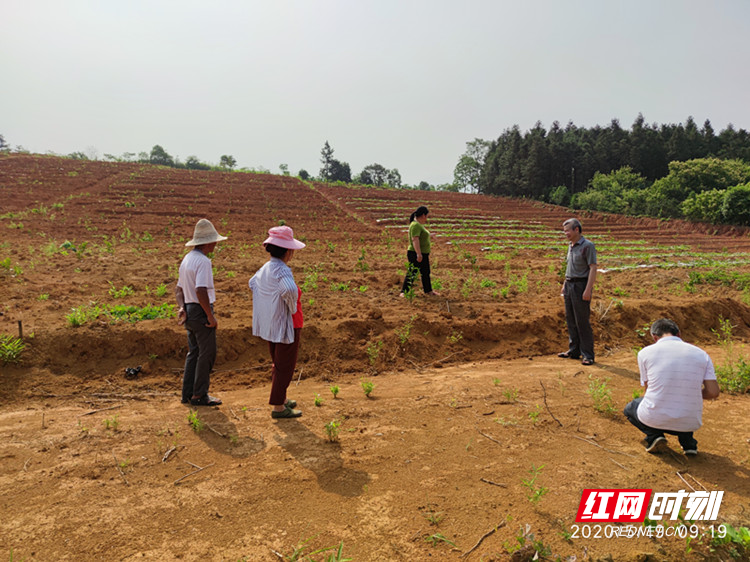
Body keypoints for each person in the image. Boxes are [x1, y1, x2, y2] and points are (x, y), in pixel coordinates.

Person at [623, 318, 720, 455]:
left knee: (630, 408)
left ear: (654, 337)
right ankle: (689, 444)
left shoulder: (645, 353)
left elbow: (648, 390)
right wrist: (690, 393)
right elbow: (713, 392)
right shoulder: (701, 354)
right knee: (683, 404)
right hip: (689, 423)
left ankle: (655, 436)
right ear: (679, 334)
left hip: (655, 420)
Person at [249, 225, 306, 418]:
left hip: (271, 323)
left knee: (278, 362)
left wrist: (267, 304)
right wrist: (291, 307)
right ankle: (278, 407)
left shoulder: (265, 268)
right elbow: (289, 290)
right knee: (285, 366)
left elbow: (252, 283)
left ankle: (281, 398)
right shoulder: (282, 270)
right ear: (288, 251)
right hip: (287, 324)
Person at [175, 218, 227, 406]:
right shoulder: (203, 262)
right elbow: (200, 290)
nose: (215, 244)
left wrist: (182, 308)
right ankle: (199, 395)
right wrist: (210, 317)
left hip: (190, 310)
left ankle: (188, 394)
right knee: (207, 353)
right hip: (200, 310)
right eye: (214, 240)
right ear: (207, 242)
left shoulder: (187, 259)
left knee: (194, 353)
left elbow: (178, 289)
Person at [557, 218, 597, 365]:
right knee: (571, 319)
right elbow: (569, 267)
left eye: (568, 230)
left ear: (577, 230)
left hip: (581, 285)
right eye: (564, 231)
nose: (565, 233)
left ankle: (588, 355)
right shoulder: (570, 246)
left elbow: (593, 268)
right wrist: (564, 284)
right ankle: (574, 350)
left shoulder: (588, 246)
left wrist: (588, 290)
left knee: (582, 321)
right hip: (569, 284)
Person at [399, 205, 439, 297]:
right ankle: (404, 292)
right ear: (423, 215)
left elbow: (421, 236)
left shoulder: (418, 225)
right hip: (415, 253)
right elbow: (415, 239)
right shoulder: (415, 225)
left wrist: (430, 235)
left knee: (425, 272)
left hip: (422, 253)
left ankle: (428, 291)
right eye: (427, 216)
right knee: (412, 272)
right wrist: (419, 254)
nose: (427, 219)